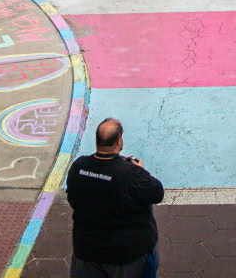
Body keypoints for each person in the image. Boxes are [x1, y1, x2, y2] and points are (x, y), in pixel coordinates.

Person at [65, 118, 164, 278]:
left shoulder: (79, 167)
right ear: (119, 141)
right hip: (126, 255)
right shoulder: (130, 173)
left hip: (87, 251)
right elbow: (157, 193)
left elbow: (72, 199)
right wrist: (140, 171)